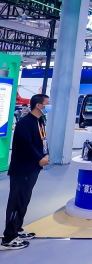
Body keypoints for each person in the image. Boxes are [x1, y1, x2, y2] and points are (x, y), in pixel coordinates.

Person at [1, 94, 51, 251]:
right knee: (16, 202)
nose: (49, 106)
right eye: (47, 103)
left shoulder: (40, 121)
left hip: (33, 168)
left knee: (24, 200)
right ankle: (9, 237)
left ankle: (17, 228)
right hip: (22, 169)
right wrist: (39, 158)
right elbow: (26, 145)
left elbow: (43, 140)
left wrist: (46, 154)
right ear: (38, 105)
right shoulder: (25, 123)